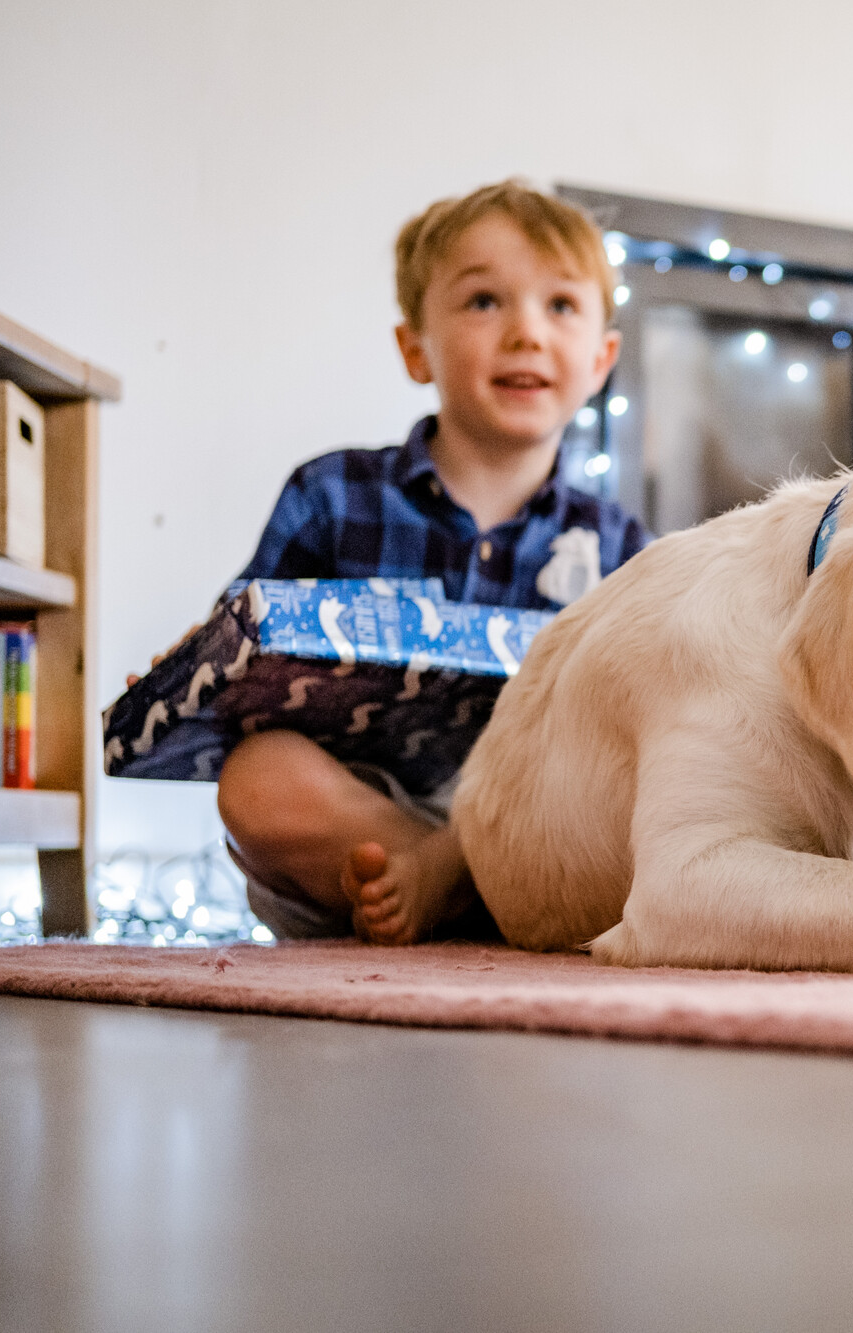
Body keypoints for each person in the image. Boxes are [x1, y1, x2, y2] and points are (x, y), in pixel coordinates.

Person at [207, 180, 651, 945]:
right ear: (416, 347)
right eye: (484, 302)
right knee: (255, 778)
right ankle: (450, 877)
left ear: (602, 359)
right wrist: (189, 673)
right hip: (366, 815)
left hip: (542, 818)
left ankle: (460, 871)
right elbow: (240, 651)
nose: (526, 333)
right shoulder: (331, 493)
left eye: (562, 306)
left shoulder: (618, 543)